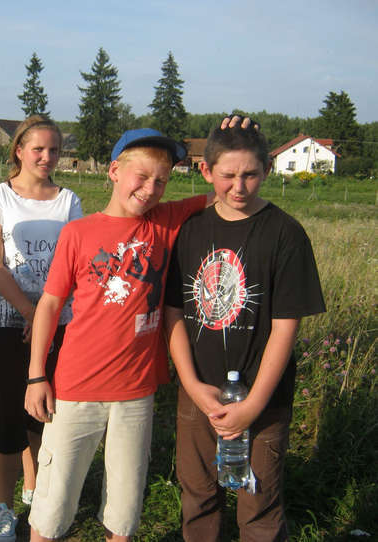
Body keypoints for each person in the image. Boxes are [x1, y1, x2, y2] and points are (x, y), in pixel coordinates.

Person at [24, 127, 217, 542]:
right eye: (141, 176)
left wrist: (226, 141)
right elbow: (50, 305)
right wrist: (37, 375)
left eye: (161, 181)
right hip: (75, 388)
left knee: (125, 506)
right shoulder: (78, 233)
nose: (150, 190)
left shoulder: (165, 221)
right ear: (114, 171)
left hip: (135, 393)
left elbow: (225, 189)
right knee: (52, 504)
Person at [163, 121, 325, 541]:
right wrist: (192, 385)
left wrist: (252, 406)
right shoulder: (190, 230)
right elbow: (173, 315)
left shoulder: (286, 234)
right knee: (198, 498)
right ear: (205, 171)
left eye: (250, 174)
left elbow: (285, 330)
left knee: (260, 507)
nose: (239, 187)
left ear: (268, 169)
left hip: (263, 400)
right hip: (199, 394)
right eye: (228, 175)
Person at [0, 115, 83, 542]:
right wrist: (28, 311)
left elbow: (76, 263)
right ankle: (4, 508)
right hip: (9, 322)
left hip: (60, 323)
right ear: (18, 150)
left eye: (54, 150)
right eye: (38, 148)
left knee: (46, 411)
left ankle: (37, 492)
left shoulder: (68, 200)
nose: (46, 157)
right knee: (8, 414)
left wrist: (46, 319)